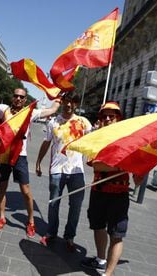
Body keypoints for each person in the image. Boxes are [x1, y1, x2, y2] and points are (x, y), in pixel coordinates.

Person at [0, 88, 60, 238]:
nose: (18, 99)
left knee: (26, 191)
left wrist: (58, 98)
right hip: (5, 155)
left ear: (25, 99)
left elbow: (51, 110)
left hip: (21, 156)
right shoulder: (4, 109)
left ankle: (31, 221)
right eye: (16, 96)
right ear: (12, 97)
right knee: (2, 187)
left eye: (21, 97)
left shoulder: (29, 112)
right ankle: (1, 218)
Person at [80, 102, 144, 276]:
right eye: (104, 116)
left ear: (118, 119)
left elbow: (137, 180)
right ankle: (101, 260)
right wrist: (123, 166)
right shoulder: (96, 137)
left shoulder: (128, 141)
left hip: (119, 195)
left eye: (112, 116)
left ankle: (108, 273)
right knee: (98, 227)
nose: (108, 119)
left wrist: (140, 171)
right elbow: (97, 164)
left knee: (116, 235)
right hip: (99, 192)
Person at [35, 93, 92, 251]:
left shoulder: (84, 123)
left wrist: (94, 160)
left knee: (76, 206)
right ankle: (51, 232)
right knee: (54, 204)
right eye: (66, 101)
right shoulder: (53, 122)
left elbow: (94, 141)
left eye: (72, 102)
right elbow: (46, 143)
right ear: (62, 103)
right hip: (57, 171)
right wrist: (38, 162)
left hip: (77, 172)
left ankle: (69, 236)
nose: (68, 105)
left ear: (75, 104)